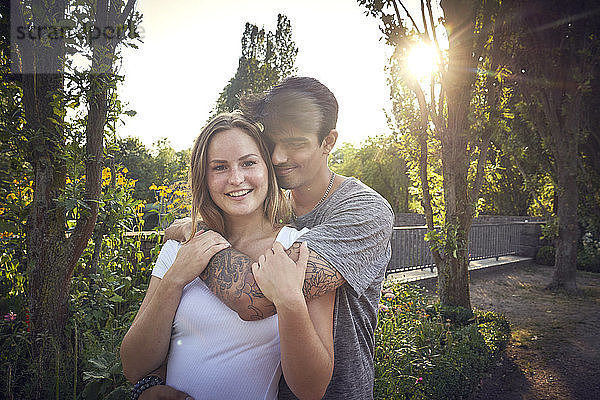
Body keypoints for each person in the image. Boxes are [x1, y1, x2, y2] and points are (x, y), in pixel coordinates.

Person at [164, 77, 394, 399]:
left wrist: (197, 234)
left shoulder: (363, 211)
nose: (277, 157)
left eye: (296, 144)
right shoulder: (272, 211)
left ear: (328, 142)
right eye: (271, 143)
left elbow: (256, 296)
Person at [120, 112, 335, 400]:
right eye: (219, 167)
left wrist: (290, 301)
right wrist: (174, 279)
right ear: (204, 178)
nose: (236, 179)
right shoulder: (181, 245)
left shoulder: (296, 248)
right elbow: (134, 366)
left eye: (248, 163)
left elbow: (312, 389)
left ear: (267, 170)